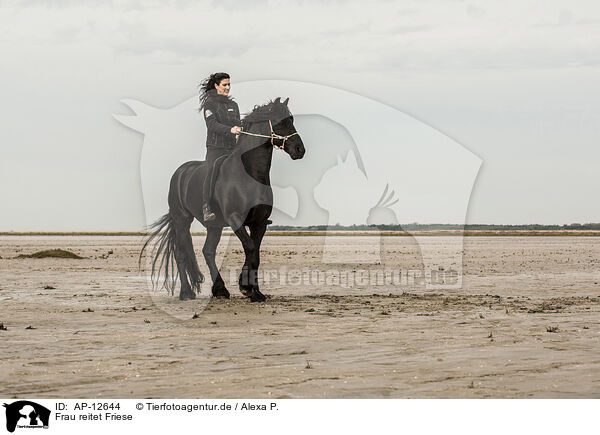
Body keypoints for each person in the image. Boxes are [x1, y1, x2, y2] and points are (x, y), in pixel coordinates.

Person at [198, 72, 242, 222]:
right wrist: (230, 130)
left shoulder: (233, 105)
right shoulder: (209, 104)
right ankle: (206, 207)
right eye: (225, 85)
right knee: (211, 170)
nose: (228, 87)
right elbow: (212, 125)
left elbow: (238, 123)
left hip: (232, 148)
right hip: (215, 147)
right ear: (216, 86)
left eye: (229, 84)